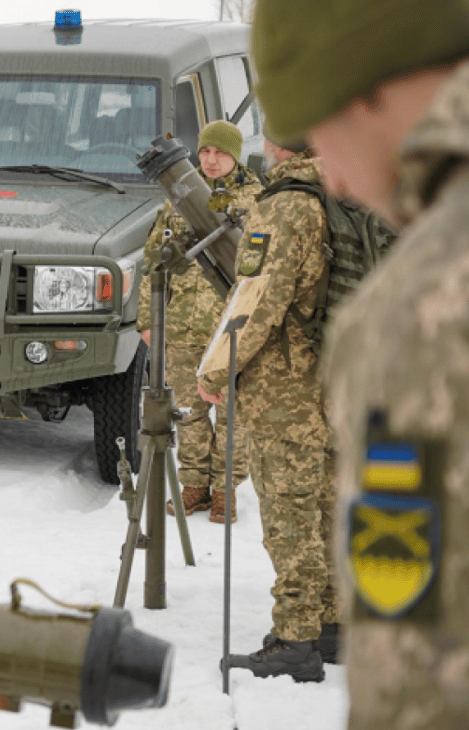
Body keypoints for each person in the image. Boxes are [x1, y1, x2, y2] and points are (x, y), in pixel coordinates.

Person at [251, 0, 469, 725]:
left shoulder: (421, 312)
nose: (334, 180)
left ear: (365, 86)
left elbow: (418, 685)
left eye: (317, 131)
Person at [196, 136, 338, 683]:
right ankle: (333, 623)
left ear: (277, 144)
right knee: (327, 507)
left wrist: (214, 370)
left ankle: (296, 641)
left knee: (291, 519)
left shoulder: (283, 206)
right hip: (338, 382)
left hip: (287, 397)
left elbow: (256, 301)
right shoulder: (343, 194)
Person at [139, 120, 261, 523]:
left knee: (231, 413)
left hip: (228, 327)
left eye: (220, 153)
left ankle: (226, 490)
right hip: (180, 326)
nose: (211, 160)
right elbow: (152, 259)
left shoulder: (256, 200)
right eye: (205, 152)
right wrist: (147, 318)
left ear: (235, 156)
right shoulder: (179, 197)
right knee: (188, 411)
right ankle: (194, 487)